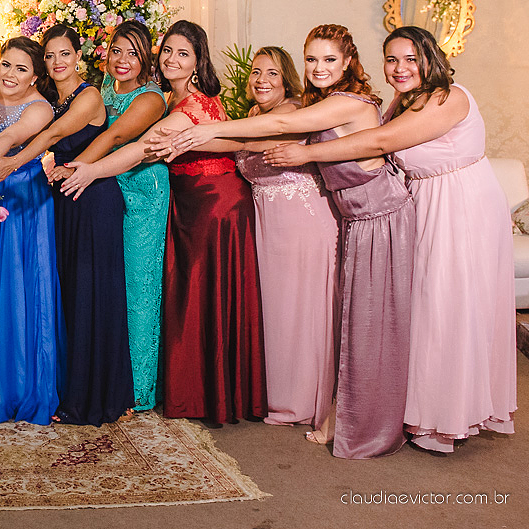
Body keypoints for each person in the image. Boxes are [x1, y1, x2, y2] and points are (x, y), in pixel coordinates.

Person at [265, 26, 516, 453]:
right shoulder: (401, 101)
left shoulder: (450, 97)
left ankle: (446, 419)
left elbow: (381, 141)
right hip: (420, 201)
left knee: (449, 307)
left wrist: (306, 153)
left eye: (410, 59)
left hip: (461, 205)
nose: (400, 69)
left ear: (430, 59)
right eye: (392, 59)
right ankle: (420, 409)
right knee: (423, 312)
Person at [167, 23, 410, 458]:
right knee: (292, 313)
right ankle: (300, 400)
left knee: (334, 315)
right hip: (332, 217)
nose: (319, 67)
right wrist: (190, 140)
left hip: (351, 217)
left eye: (329, 60)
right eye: (312, 59)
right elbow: (247, 137)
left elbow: (280, 125)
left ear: (349, 62)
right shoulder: (316, 104)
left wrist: (203, 132)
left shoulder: (341, 103)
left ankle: (332, 409)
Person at [58, 20, 266, 424]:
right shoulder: (172, 98)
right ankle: (189, 383)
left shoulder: (187, 105)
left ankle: (140, 388)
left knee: (153, 290)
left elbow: (138, 150)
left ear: (197, 61)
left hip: (212, 203)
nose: (172, 59)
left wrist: (87, 169)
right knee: (181, 295)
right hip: (186, 200)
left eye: (182, 53)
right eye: (167, 50)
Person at [154, 46, 338, 435]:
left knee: (304, 309)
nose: (261, 80)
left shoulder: (292, 112)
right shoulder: (254, 115)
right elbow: (238, 144)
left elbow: (251, 143)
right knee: (275, 312)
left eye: (271, 73)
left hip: (300, 221)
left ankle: (306, 399)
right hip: (265, 224)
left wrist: (197, 135)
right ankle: (275, 392)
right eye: (256, 72)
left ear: (286, 79)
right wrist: (192, 139)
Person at [0, 25, 133, 425]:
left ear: (79, 56)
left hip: (94, 199)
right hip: (65, 200)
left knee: (94, 295)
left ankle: (102, 397)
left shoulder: (88, 96)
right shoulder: (52, 96)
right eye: (51, 56)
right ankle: (69, 389)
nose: (58, 63)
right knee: (70, 297)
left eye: (65, 54)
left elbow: (54, 133)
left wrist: (12, 164)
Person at [0, 36, 62, 425]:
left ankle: (21, 384)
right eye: (6, 64)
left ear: (35, 76)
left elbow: (9, 138)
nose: (10, 74)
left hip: (20, 200)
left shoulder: (41, 107)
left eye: (21, 69)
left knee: (19, 287)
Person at [89, 20, 169, 411]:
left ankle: (139, 388)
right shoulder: (99, 88)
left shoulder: (151, 97)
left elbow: (117, 136)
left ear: (146, 60)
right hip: (107, 188)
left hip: (143, 192)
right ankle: (110, 373)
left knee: (138, 285)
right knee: (108, 283)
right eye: (117, 50)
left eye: (133, 54)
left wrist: (75, 167)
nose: (123, 60)